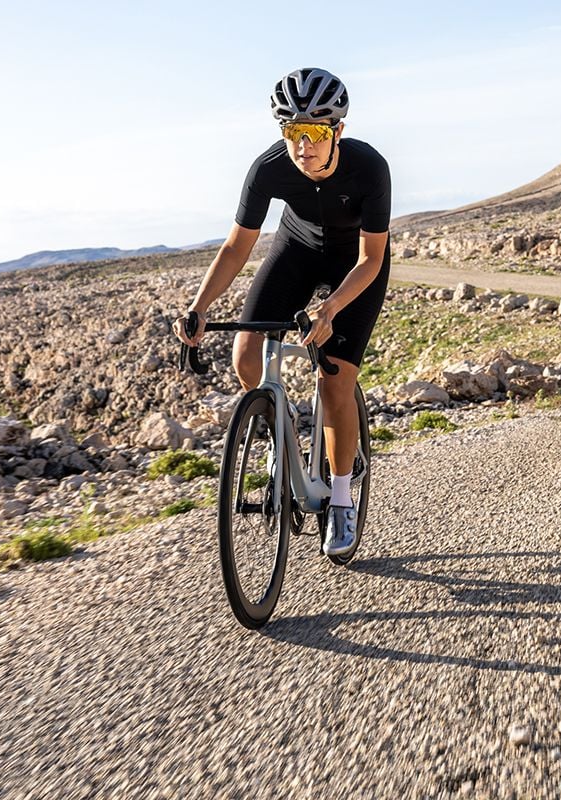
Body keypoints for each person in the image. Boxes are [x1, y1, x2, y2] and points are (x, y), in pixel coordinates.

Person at [175, 67, 390, 558]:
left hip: (353, 262)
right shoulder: (268, 167)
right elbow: (236, 247)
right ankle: (280, 430)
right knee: (246, 357)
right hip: (295, 250)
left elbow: (371, 259)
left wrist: (331, 307)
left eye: (313, 132)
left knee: (333, 377)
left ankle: (339, 499)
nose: (302, 145)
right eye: (292, 132)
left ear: (337, 131)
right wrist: (199, 306)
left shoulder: (369, 169)